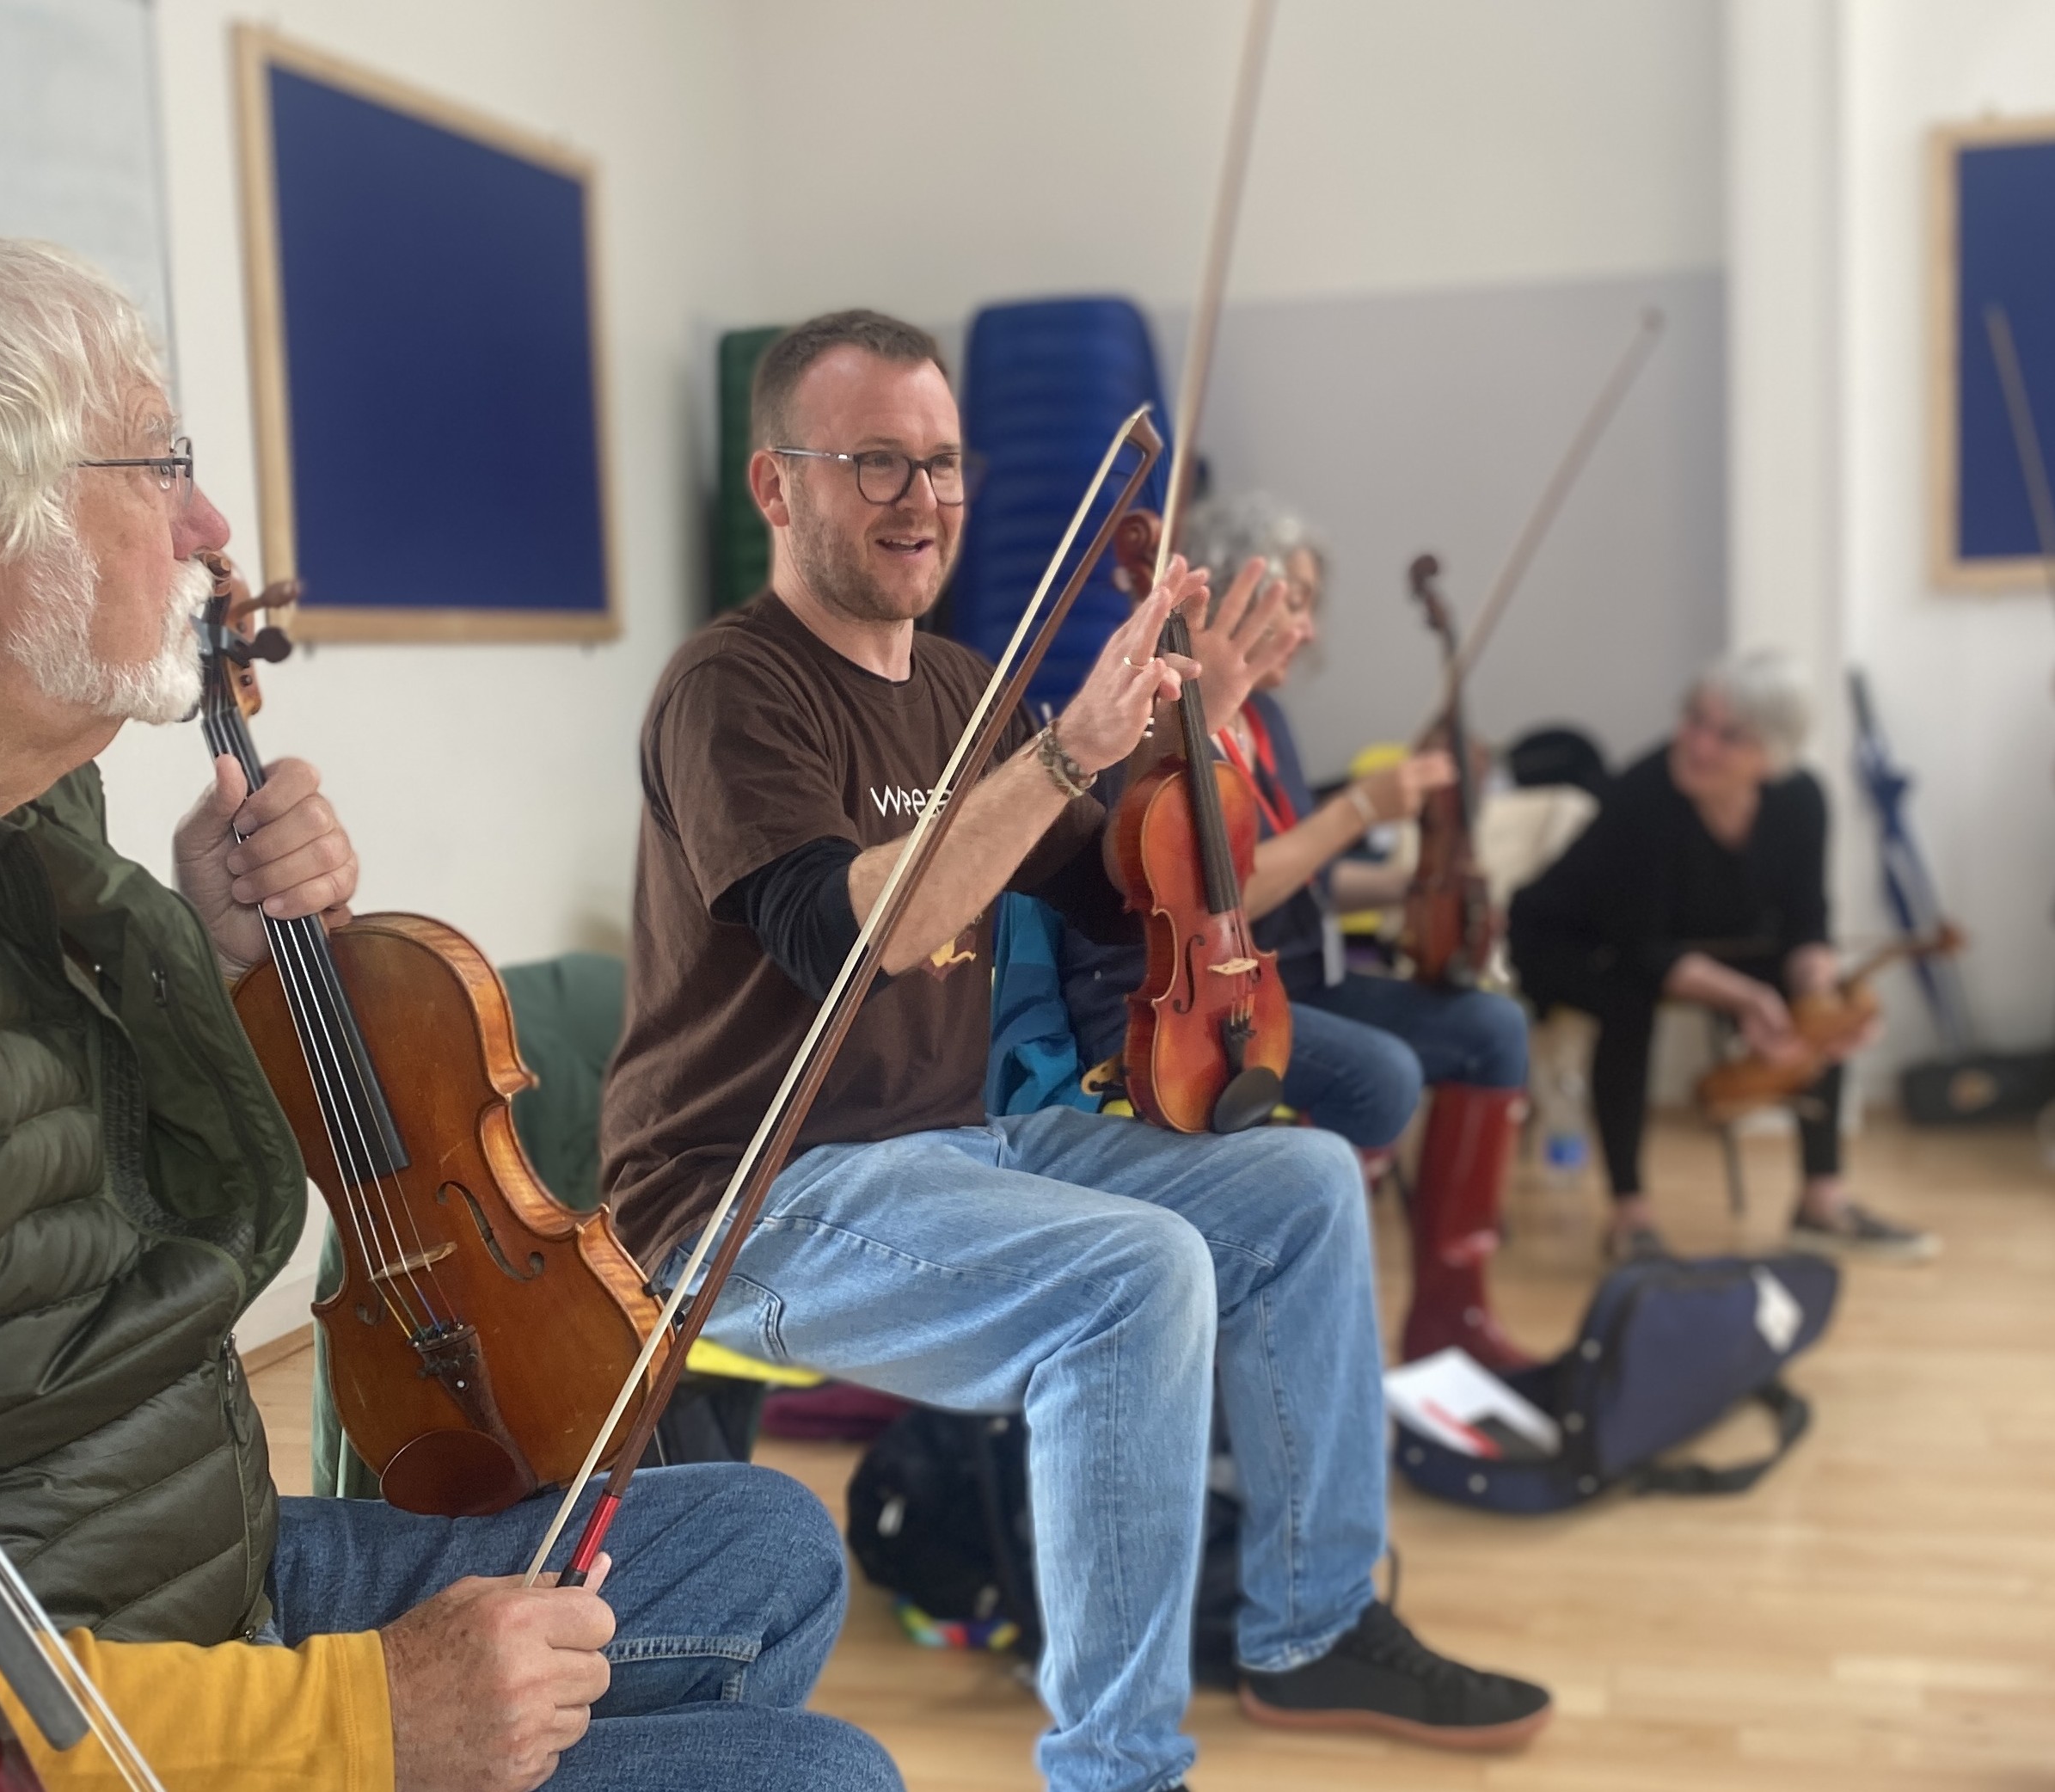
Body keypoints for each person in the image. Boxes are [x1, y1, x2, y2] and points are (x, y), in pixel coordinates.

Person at [0, 234, 899, 1792]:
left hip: (195, 1560)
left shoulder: (7, 821)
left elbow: (83, 1222)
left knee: (767, 1540)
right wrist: (375, 1718)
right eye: (156, 460)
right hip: (94, 1679)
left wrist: (211, 950)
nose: (206, 524)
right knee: (823, 1773)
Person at [598, 310, 1554, 1792]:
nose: (922, 500)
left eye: (942, 464)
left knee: (1301, 1178)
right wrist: (1058, 751)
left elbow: (1119, 879)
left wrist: (1199, 743)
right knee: (1137, 1271)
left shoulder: (961, 684)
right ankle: (1119, 1766)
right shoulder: (734, 686)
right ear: (776, 487)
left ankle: (1311, 1628)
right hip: (753, 1194)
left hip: (956, 1145)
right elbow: (854, 934)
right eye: (876, 465)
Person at [1058, 491, 1537, 1367]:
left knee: (1492, 1027)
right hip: (1210, 988)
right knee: (1382, 1076)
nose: (1309, 629)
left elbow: (1298, 867)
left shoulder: (1266, 717)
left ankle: (1450, 1314)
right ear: (1235, 600)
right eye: (1296, 600)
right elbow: (1230, 878)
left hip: (1288, 965)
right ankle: (1305, 1304)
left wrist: (1418, 887)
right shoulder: (1171, 712)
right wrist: (1360, 806)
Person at [1509, 651, 1938, 1263]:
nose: (1698, 744)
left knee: (1821, 1004)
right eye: (1693, 720)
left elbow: (1805, 924)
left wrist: (1819, 988)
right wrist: (1746, 998)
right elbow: (1640, 946)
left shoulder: (1800, 801)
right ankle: (1630, 1216)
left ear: (1772, 752)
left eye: (1727, 735)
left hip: (1693, 946)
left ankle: (1822, 1201)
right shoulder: (1644, 793)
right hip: (1568, 940)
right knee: (1627, 1002)